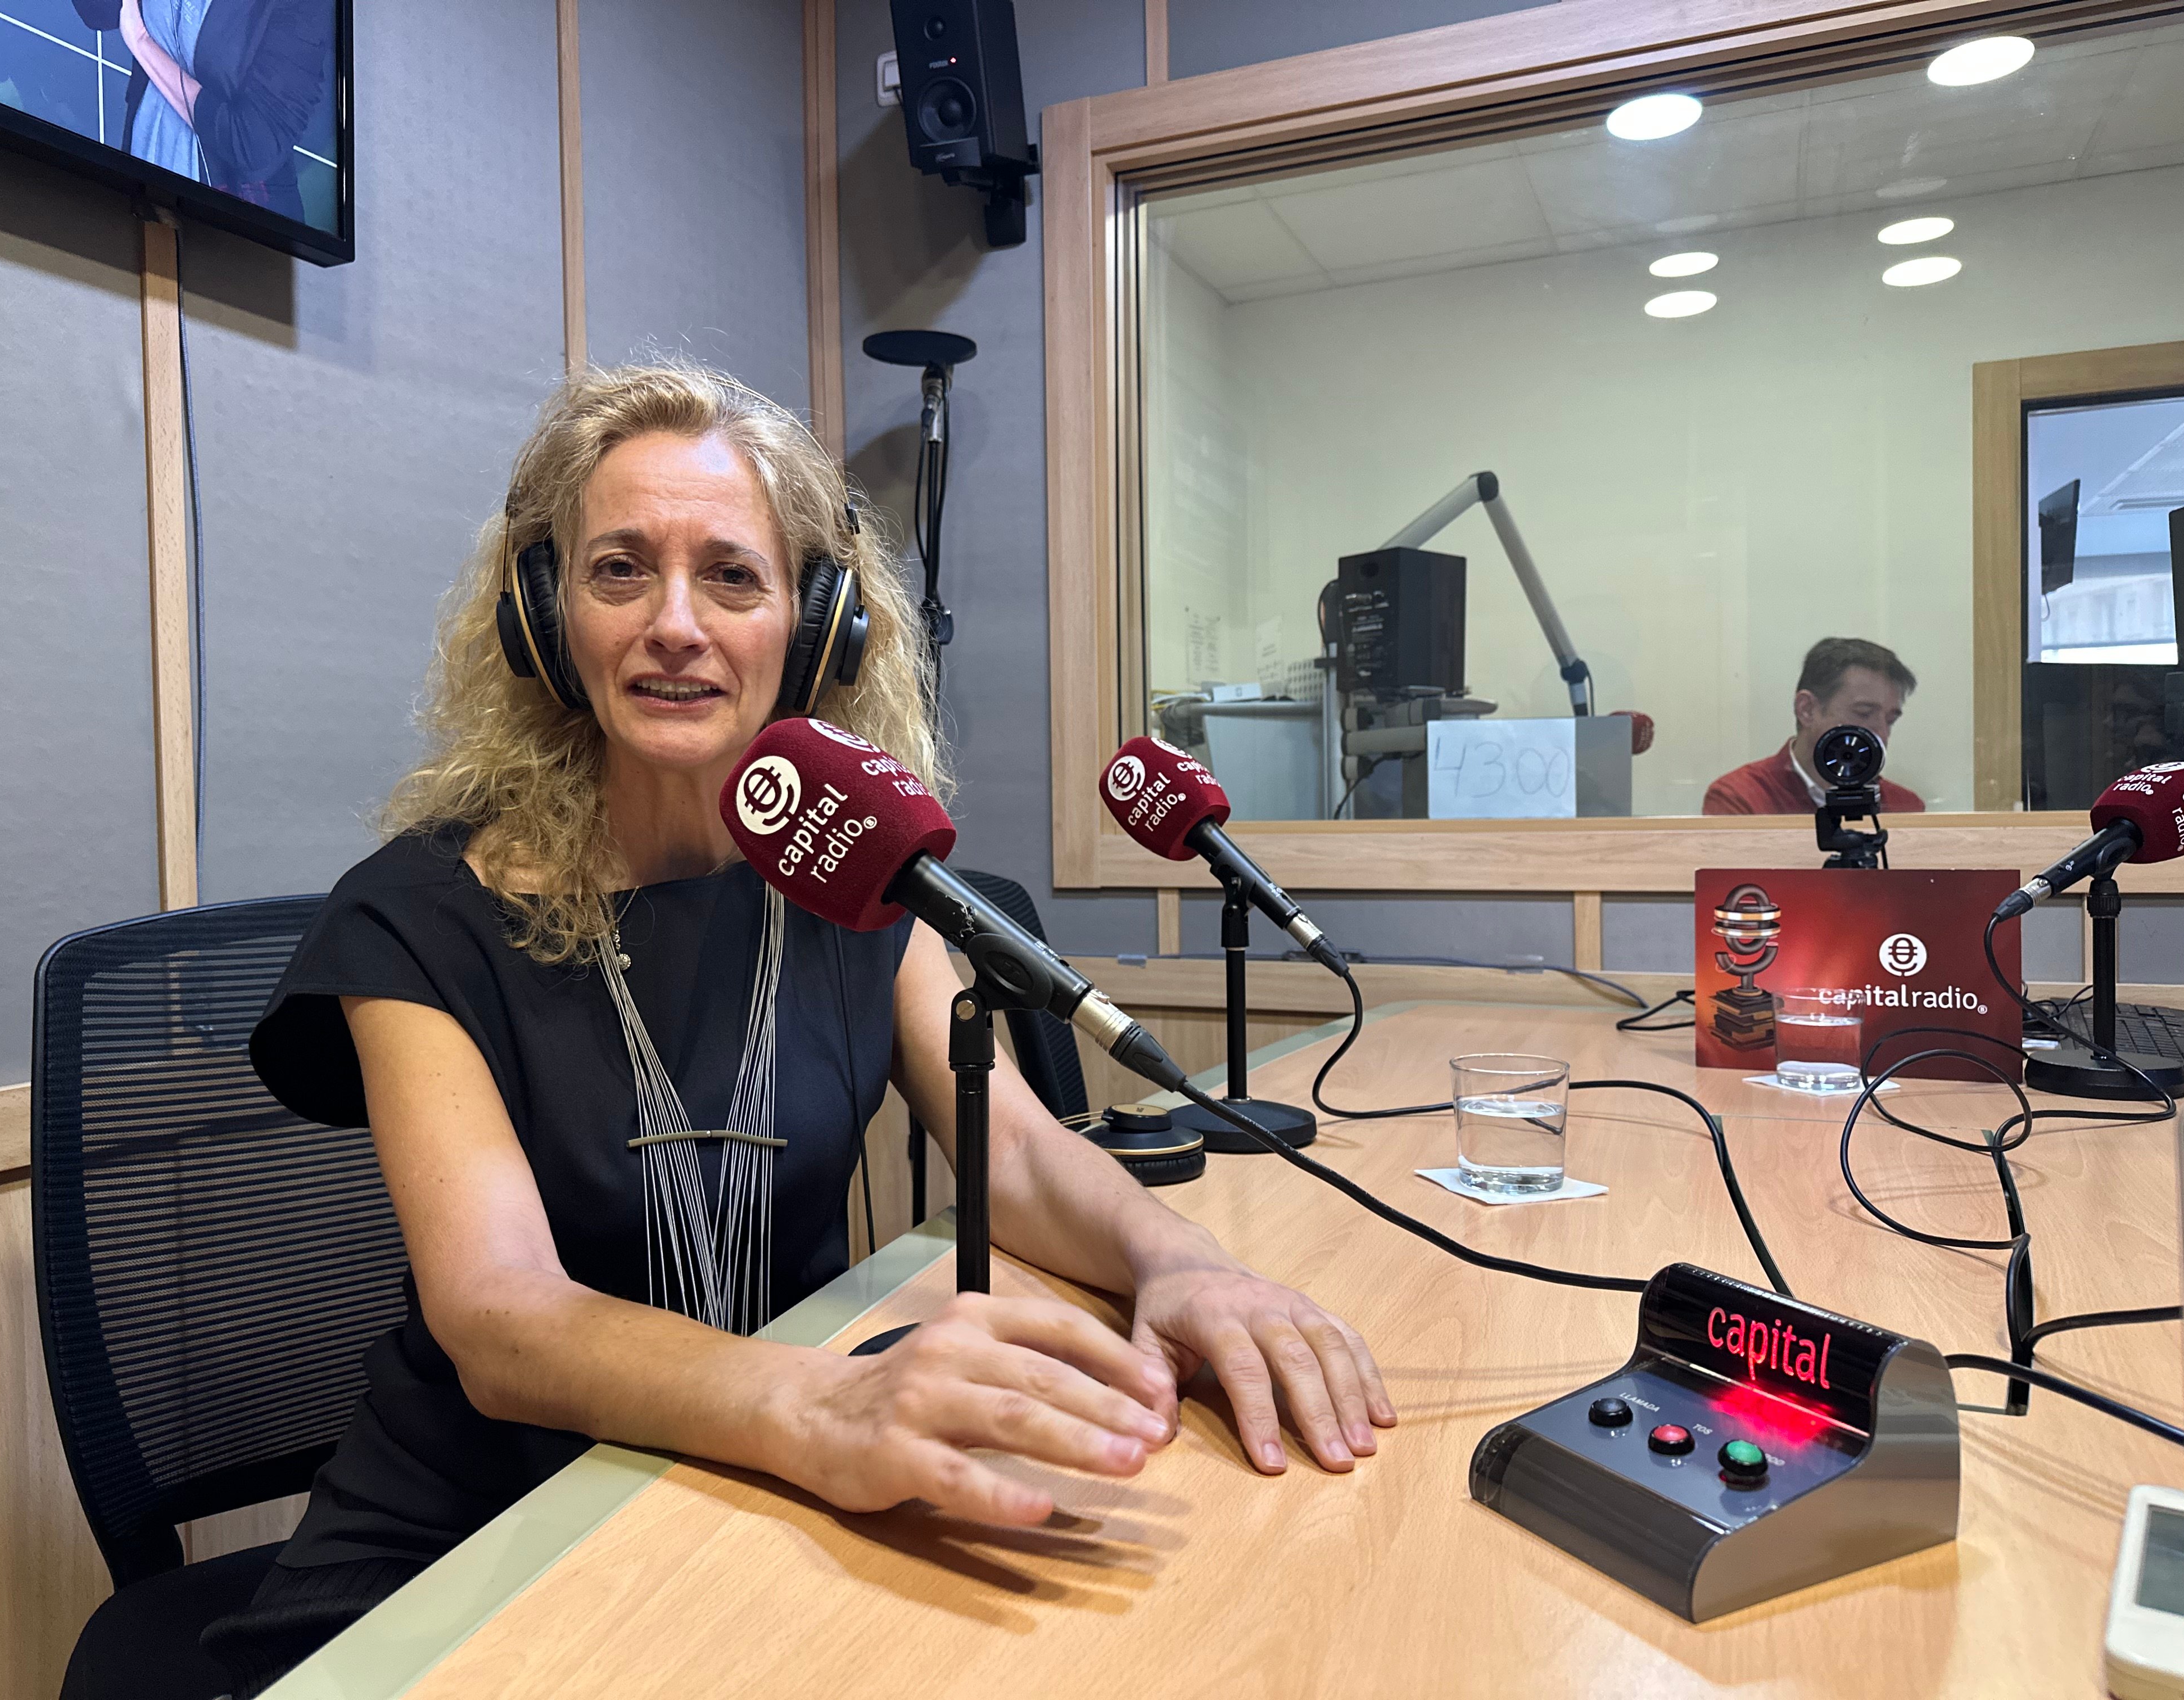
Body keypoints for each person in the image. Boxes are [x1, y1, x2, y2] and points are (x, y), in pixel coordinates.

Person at [201, 363, 1394, 1695]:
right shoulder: (414, 916)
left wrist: (1179, 1262)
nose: (673, 624)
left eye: (730, 576)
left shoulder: (852, 874)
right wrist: (822, 1406)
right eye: (617, 572)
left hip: (747, 1495)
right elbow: (504, 1320)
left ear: (815, 626)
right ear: (546, 617)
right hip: (472, 1541)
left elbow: (1015, 1155)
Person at [74, 0, 333, 223]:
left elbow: (253, 146)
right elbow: (100, 12)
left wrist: (141, 43)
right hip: (143, 183)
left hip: (236, 237)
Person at [1703, 637, 1927, 815]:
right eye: (1864, 713)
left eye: (1891, 720)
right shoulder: (1741, 798)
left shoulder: (1904, 806)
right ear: (1807, 710)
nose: (1881, 733)